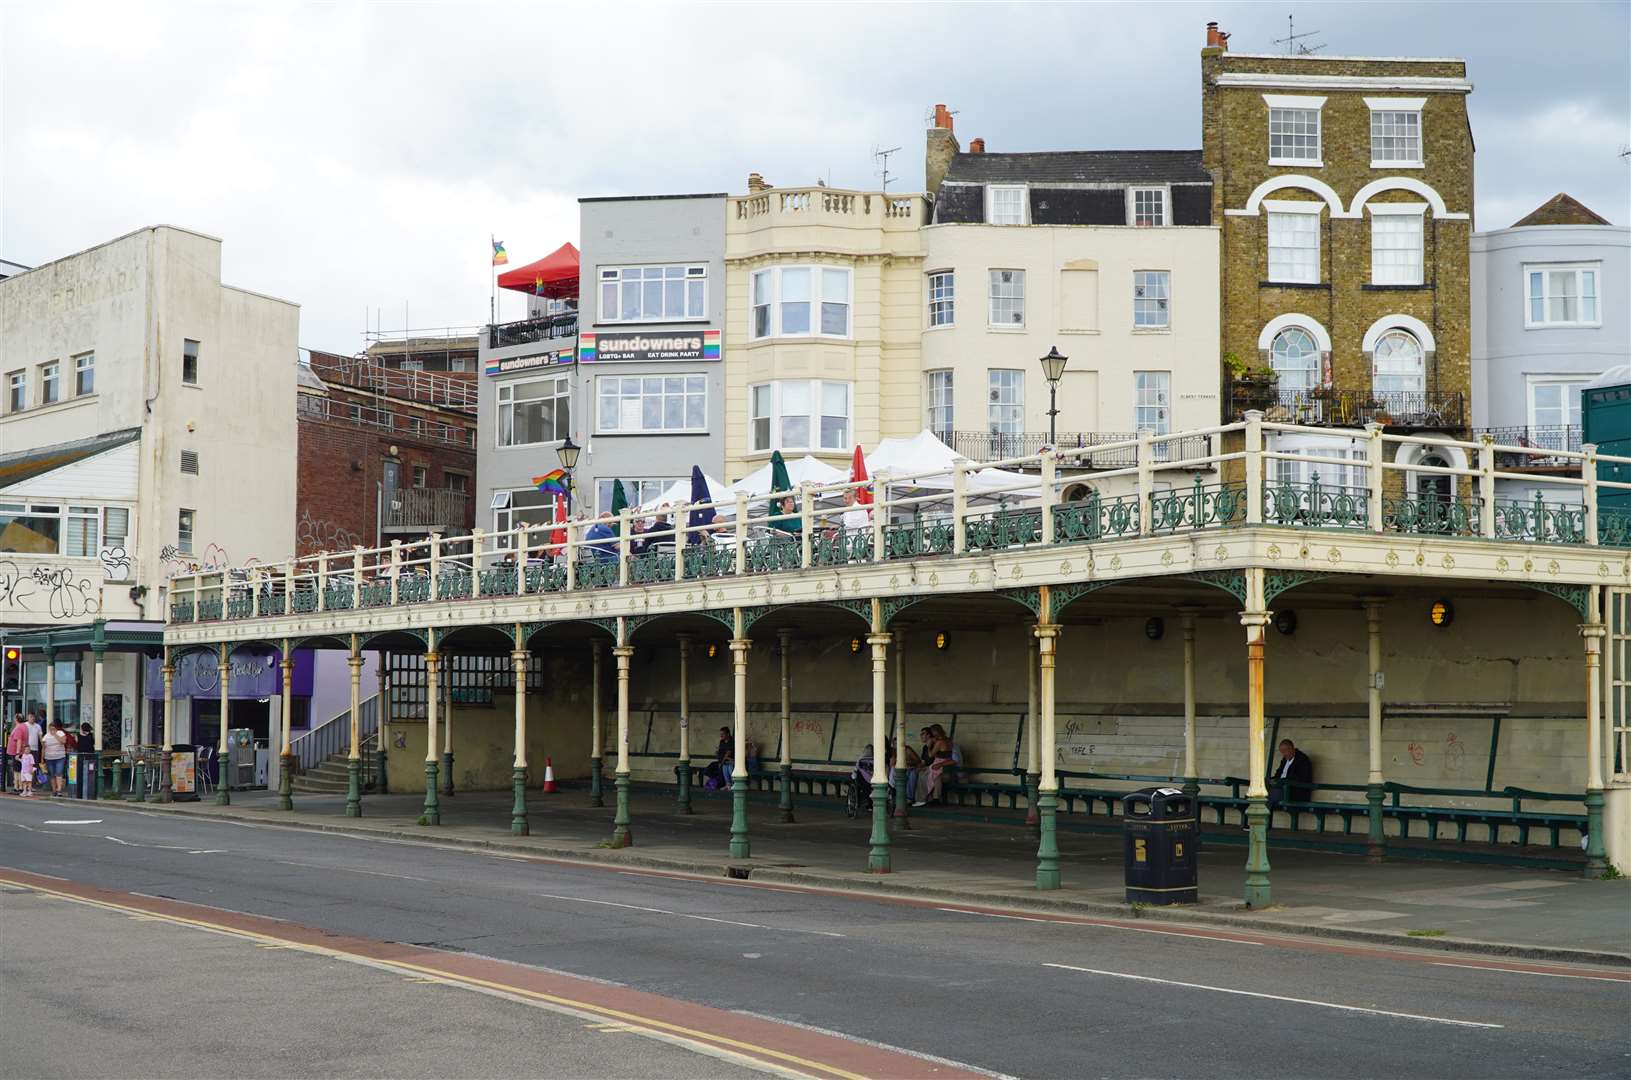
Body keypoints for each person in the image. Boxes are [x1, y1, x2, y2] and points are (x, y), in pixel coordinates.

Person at [912, 724, 963, 807]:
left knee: (925, 776)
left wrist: (929, 747)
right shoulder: (948, 740)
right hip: (943, 765)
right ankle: (930, 799)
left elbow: (931, 755)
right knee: (927, 774)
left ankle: (922, 799)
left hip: (942, 766)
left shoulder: (939, 742)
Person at [1267, 738, 1314, 808]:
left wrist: (1281, 781)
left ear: (1292, 749)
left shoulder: (1302, 760)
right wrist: (1270, 780)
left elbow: (1300, 779)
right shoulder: (1284, 760)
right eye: (1282, 752)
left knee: (1270, 796)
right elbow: (1278, 775)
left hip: (1294, 792)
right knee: (1261, 787)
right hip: (1280, 788)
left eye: (1285, 751)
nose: (1283, 754)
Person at [40, 720, 70, 797]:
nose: (52, 730)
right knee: (52, 774)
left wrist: (55, 735)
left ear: (56, 728)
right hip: (49, 757)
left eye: (53, 728)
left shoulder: (60, 733)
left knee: (59, 773)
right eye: (50, 729)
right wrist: (42, 758)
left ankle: (59, 790)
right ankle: (54, 790)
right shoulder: (46, 736)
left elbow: (63, 741)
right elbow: (43, 747)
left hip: (60, 757)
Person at [702, 725, 732, 789]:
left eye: (723, 734)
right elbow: (720, 751)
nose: (721, 736)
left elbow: (728, 753)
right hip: (720, 761)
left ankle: (723, 784)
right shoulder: (721, 741)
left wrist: (721, 763)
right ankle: (715, 780)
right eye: (720, 734)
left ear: (728, 734)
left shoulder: (731, 741)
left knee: (722, 768)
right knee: (707, 770)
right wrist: (717, 753)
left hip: (726, 762)